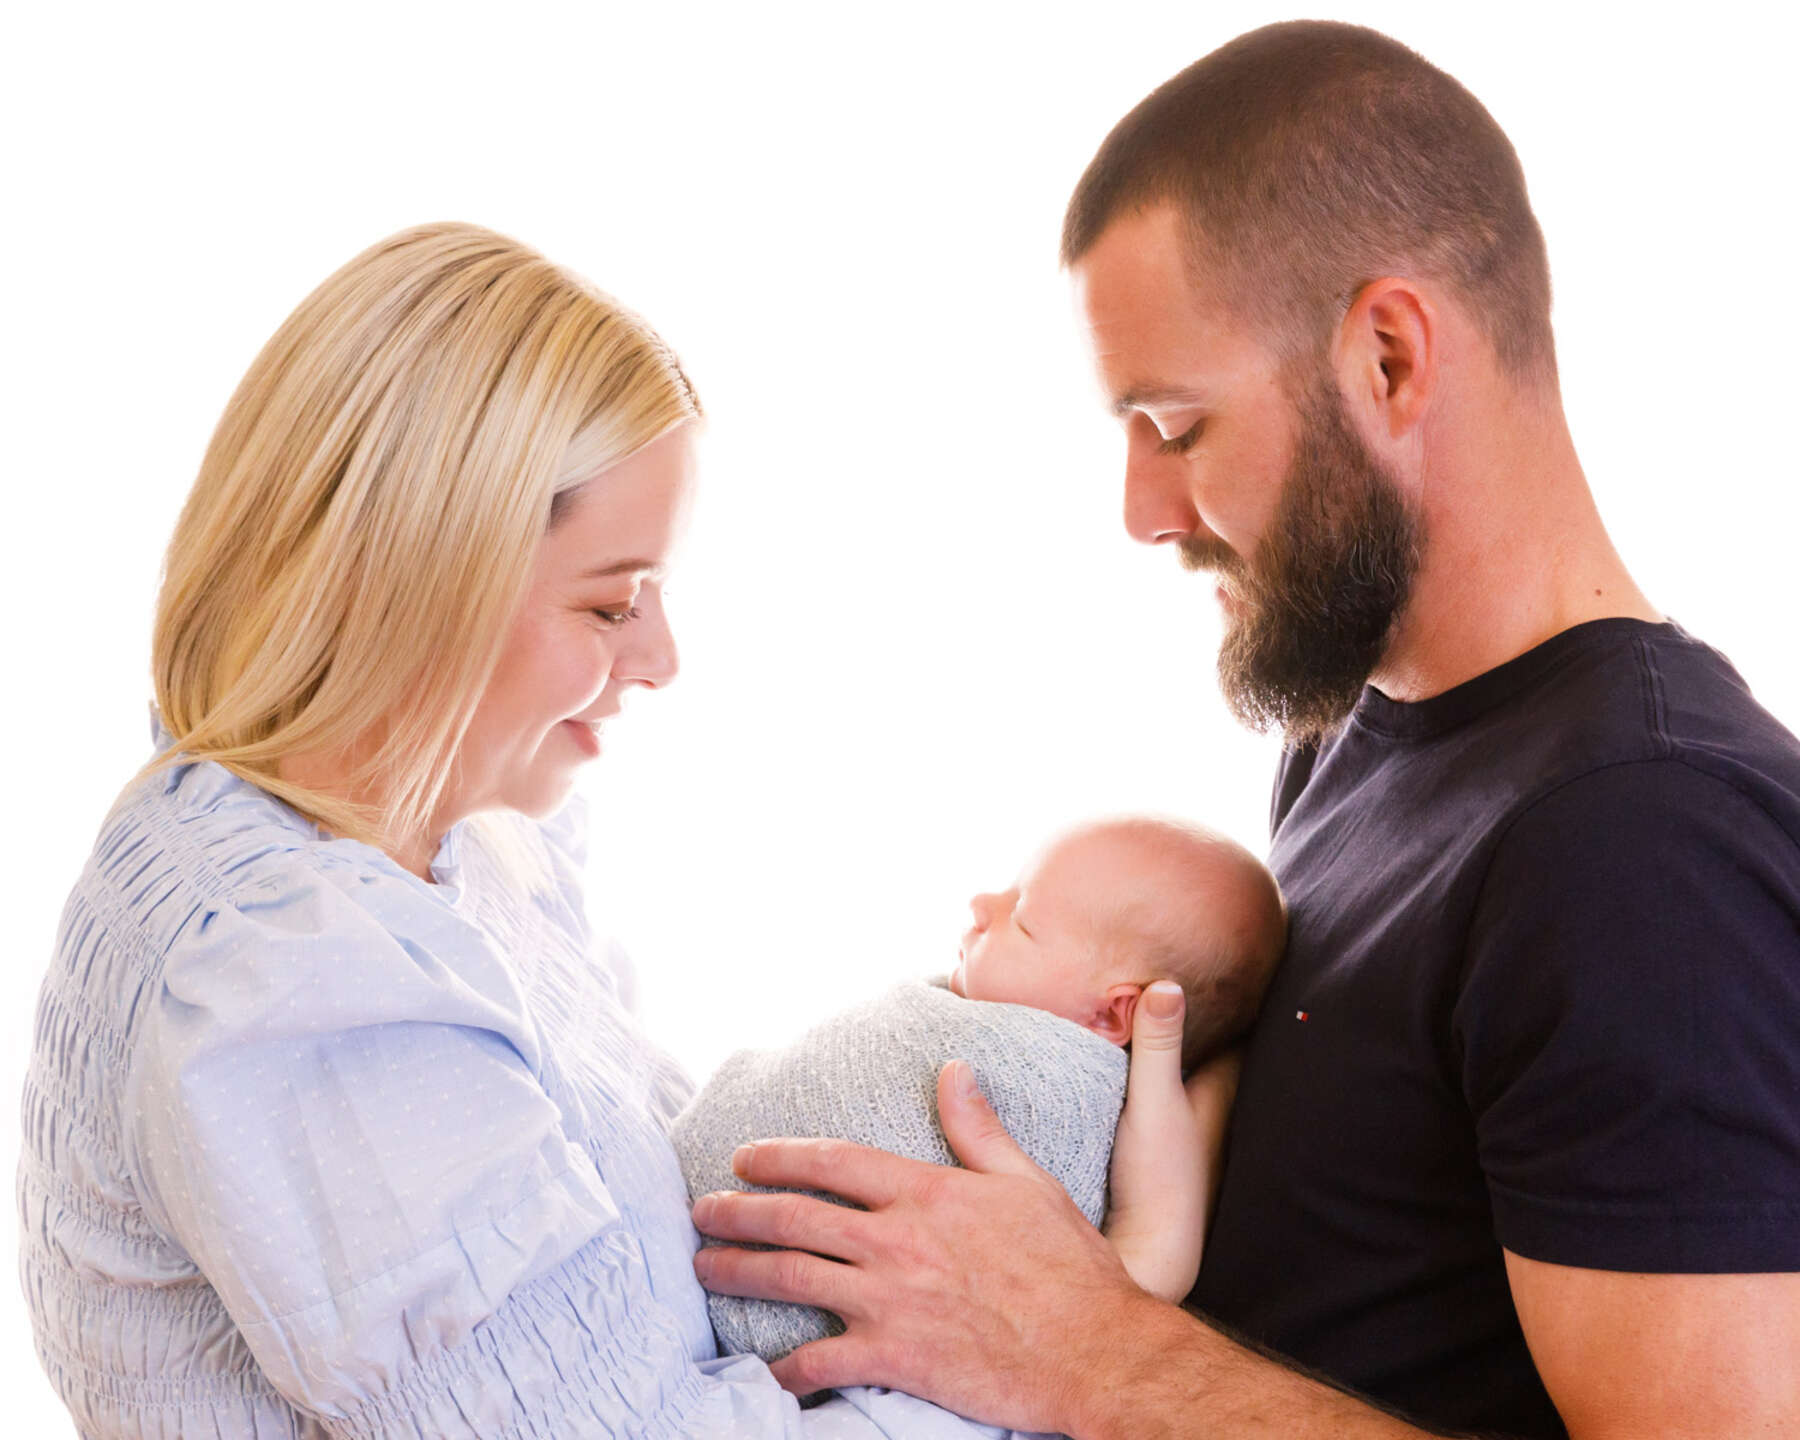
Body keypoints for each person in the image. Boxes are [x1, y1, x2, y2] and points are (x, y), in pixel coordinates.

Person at [686, 21, 1800, 1439]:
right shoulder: (1357, 739)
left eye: (1177, 424)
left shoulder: (1647, 842)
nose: (1143, 511)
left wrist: (1088, 1352)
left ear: (1388, 358)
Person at [15, 221, 1203, 1439]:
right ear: (417, 578)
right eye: (610, 602)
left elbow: (641, 1244)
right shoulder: (299, 988)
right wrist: (1083, 1330)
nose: (661, 659)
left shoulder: (458, 850)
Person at [673, 817, 1284, 1364]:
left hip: (762, 1298)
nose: (981, 903)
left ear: (1109, 1017)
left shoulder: (1052, 1092)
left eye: (1021, 919)